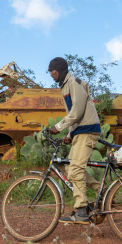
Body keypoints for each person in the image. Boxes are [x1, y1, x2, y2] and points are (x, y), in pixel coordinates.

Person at [48, 57, 102, 224]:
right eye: (50, 72)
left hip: (87, 131)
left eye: (53, 71)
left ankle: (81, 211)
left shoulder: (74, 83)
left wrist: (58, 127)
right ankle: (103, 191)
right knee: (70, 167)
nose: (51, 74)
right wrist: (70, 135)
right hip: (80, 132)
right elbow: (76, 114)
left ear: (61, 70)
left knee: (76, 170)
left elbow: (77, 112)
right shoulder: (65, 86)